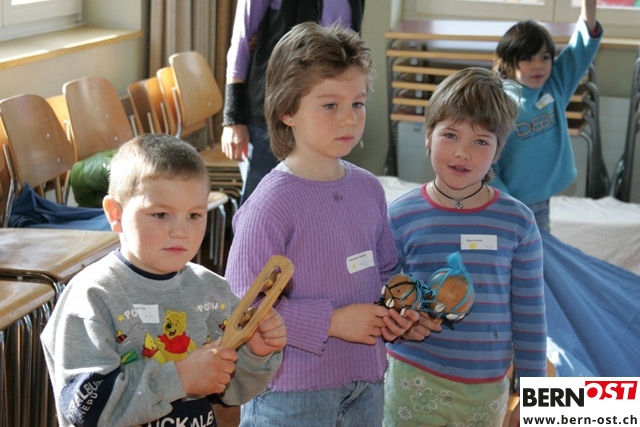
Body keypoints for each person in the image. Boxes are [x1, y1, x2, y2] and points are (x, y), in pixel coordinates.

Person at [224, 22, 420, 426]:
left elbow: (386, 270)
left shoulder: (368, 188)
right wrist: (332, 322)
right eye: (330, 105)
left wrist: (400, 306)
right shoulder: (271, 203)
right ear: (287, 111)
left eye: (358, 104)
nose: (349, 119)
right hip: (291, 393)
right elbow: (244, 305)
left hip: (366, 382)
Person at [40, 134, 286, 427]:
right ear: (115, 214)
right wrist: (179, 378)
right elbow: (85, 408)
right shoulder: (92, 296)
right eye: (160, 214)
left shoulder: (211, 291)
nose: (181, 231)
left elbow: (231, 391)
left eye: (194, 215)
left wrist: (254, 355)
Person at [384, 67, 547, 427]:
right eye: (451, 135)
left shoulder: (518, 223)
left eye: (481, 142)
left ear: (498, 150)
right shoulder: (399, 215)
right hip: (411, 378)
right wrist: (403, 322)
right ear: (428, 136)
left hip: (485, 389)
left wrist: (533, 399)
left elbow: (531, 316)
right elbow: (383, 293)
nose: (462, 153)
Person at [221, 0, 365, 204]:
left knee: (318, 204)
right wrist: (233, 117)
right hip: (271, 114)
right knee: (264, 203)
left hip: (330, 116)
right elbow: (241, 42)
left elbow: (352, 49)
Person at [491, 0, 602, 230]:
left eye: (544, 57)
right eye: (528, 58)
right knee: (508, 249)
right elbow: (487, 163)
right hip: (505, 204)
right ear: (509, 62)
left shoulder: (555, 85)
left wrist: (589, 4)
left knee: (539, 250)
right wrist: (504, 202)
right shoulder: (497, 103)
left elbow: (581, 48)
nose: (538, 65)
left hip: (540, 203)